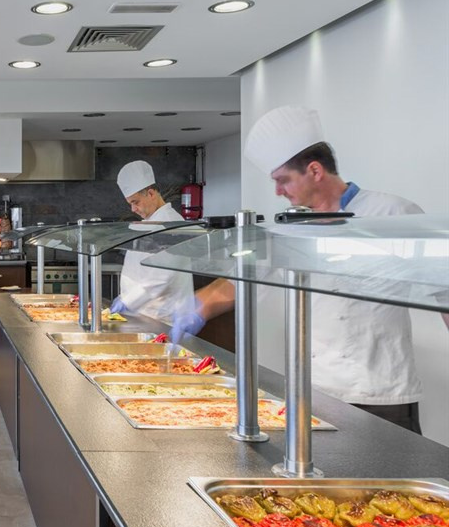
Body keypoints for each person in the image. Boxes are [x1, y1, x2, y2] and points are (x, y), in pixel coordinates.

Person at [171, 105, 426, 433]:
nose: (278, 191)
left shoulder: (393, 214)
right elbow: (245, 279)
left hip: (382, 393)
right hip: (313, 390)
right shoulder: (291, 227)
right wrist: (197, 305)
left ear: (315, 171)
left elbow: (443, 289)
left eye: (283, 180)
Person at [108, 160, 193, 323]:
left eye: (135, 202)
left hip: (163, 318)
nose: (133, 209)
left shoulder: (170, 224)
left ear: (151, 193)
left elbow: (162, 277)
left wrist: (128, 301)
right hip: (143, 314)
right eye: (130, 203)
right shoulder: (149, 222)